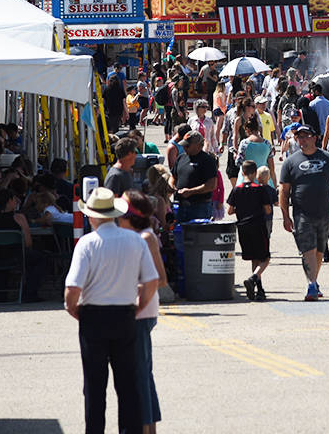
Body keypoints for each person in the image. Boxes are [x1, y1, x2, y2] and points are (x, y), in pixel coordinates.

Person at [64, 187, 160, 434]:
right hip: (125, 315)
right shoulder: (135, 241)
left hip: (94, 316)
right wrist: (137, 307)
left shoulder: (86, 243)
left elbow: (72, 289)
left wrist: (75, 310)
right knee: (128, 384)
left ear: (93, 216)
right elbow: (151, 281)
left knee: (94, 387)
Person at [279, 124, 329, 302]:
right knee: (308, 249)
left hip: (324, 213)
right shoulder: (290, 162)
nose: (303, 139)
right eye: (299, 136)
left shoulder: (328, 158)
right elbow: (284, 191)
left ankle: (314, 281)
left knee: (319, 251)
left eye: (306, 136)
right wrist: (285, 216)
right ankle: (311, 284)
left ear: (314, 138)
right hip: (302, 214)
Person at [119, 190, 166, 434]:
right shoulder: (134, 235)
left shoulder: (145, 237)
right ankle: (149, 426)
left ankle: (146, 427)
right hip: (136, 310)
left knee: (139, 374)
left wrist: (132, 289)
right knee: (142, 374)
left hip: (142, 311)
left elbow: (160, 278)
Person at [227, 160, 275, 301]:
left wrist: (241, 209)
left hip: (243, 227)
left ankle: (258, 289)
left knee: (254, 258)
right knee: (265, 258)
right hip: (258, 225)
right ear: (255, 173)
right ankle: (254, 278)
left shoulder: (237, 189)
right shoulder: (259, 189)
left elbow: (230, 210)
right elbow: (267, 209)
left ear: (242, 172)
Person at [171, 132, 219, 223]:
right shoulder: (181, 158)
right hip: (180, 205)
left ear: (198, 145)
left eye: (187, 145)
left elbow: (212, 185)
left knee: (198, 235)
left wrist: (191, 192)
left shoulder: (208, 160)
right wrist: (171, 186)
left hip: (199, 207)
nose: (184, 148)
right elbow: (173, 176)